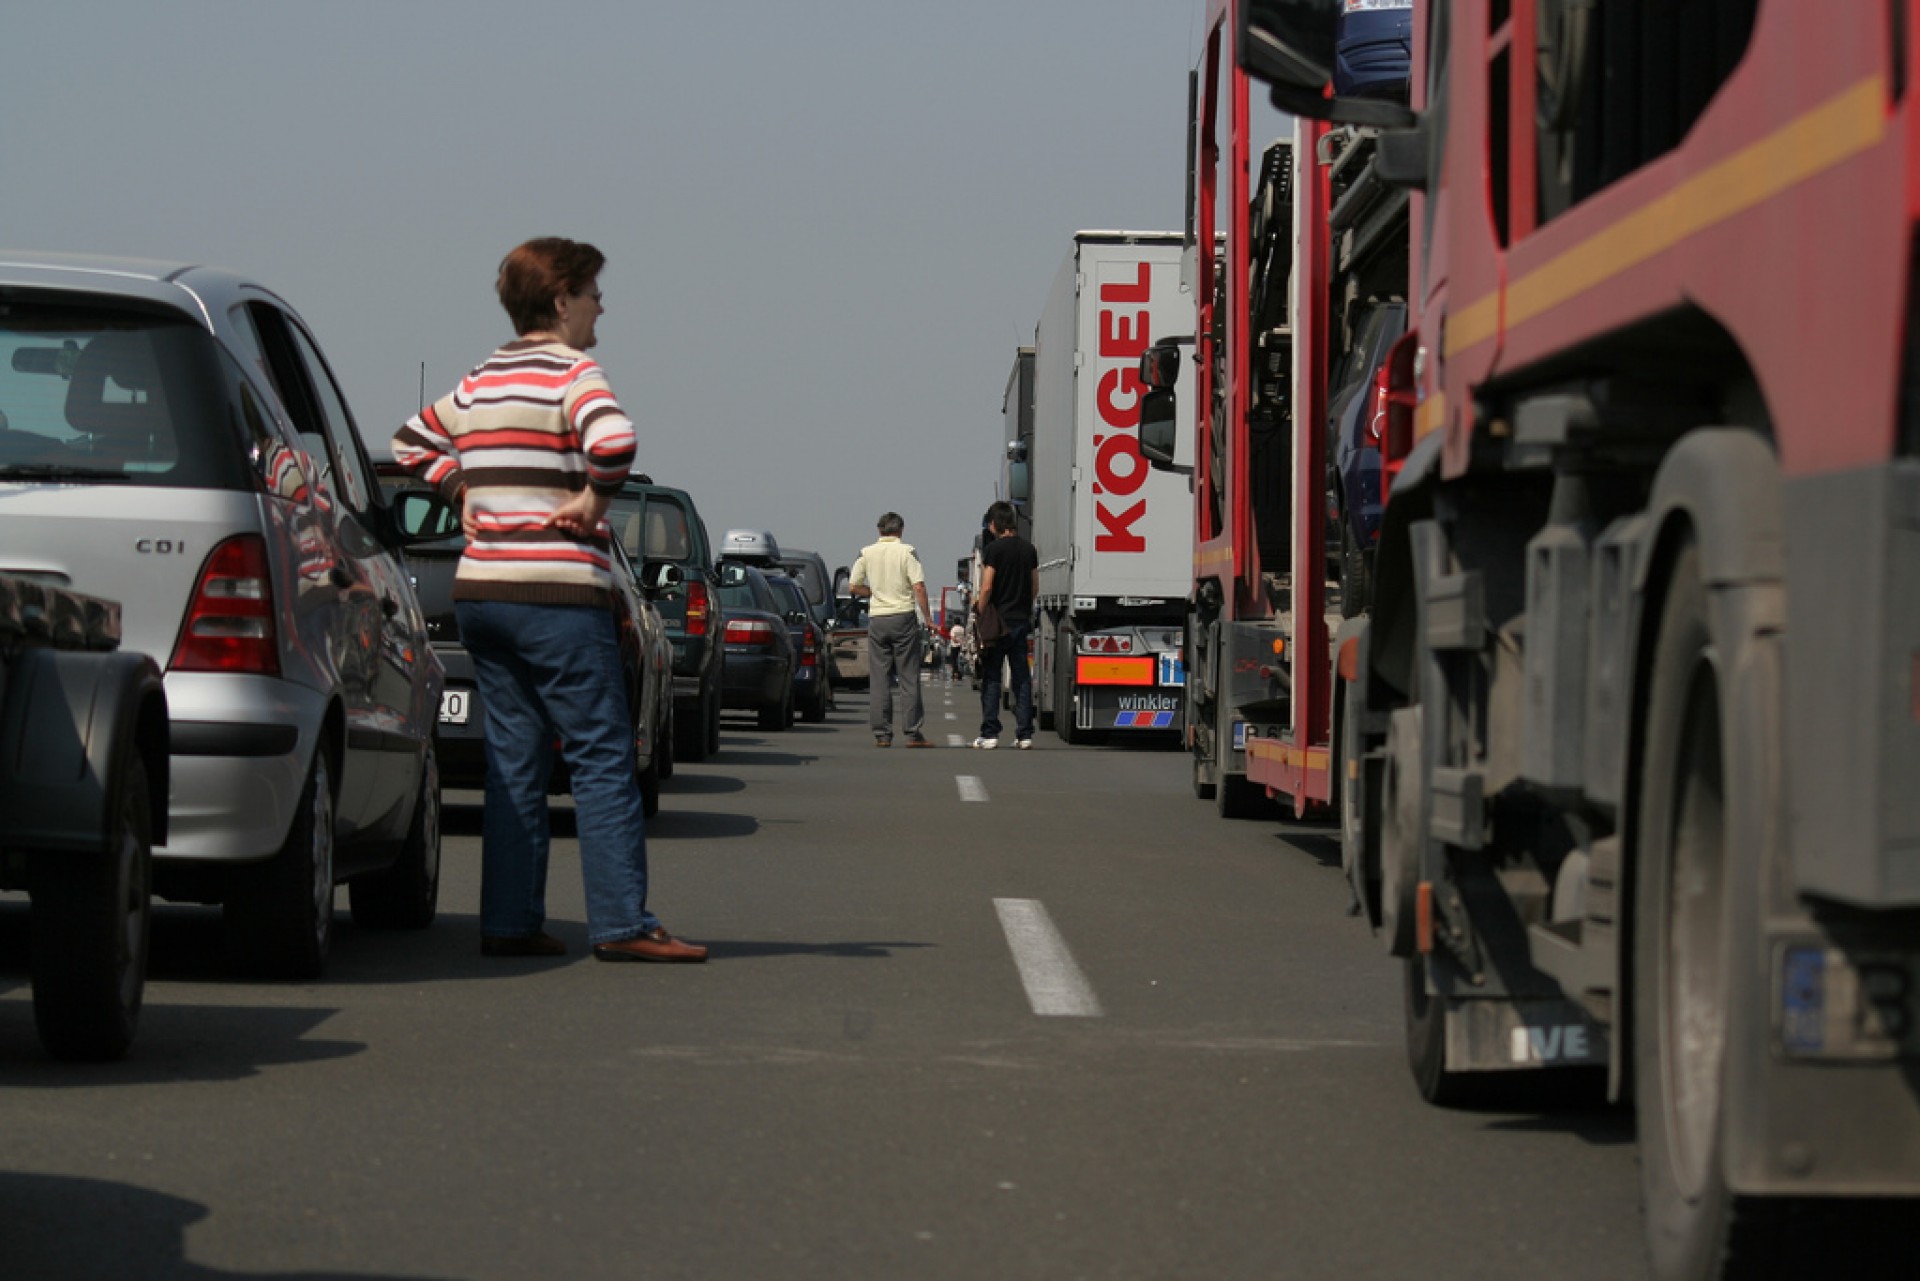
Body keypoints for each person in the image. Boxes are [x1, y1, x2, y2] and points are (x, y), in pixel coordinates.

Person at [392, 237, 705, 964]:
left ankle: (508, 919)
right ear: (561, 300)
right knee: (599, 755)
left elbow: (409, 441)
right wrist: (595, 496)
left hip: (483, 595)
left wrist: (459, 486)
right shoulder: (574, 373)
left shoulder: (480, 379)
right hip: (557, 594)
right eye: (595, 291)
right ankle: (623, 921)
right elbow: (616, 441)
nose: (603, 306)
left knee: (515, 758)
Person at [847, 512, 935, 747]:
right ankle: (912, 732)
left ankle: (882, 733)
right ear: (901, 530)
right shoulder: (907, 552)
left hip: (877, 618)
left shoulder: (866, 552)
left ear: (879, 531)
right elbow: (919, 587)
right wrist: (927, 617)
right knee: (908, 677)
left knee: (879, 678)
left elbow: (853, 586)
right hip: (903, 617)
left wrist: (874, 592)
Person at [973, 501, 1039, 749]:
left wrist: (980, 611)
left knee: (992, 676)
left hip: (997, 622)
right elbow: (1035, 586)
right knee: (1021, 677)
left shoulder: (994, 550)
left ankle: (990, 733)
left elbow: (987, 585)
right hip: (1020, 620)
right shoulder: (1029, 549)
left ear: (993, 524)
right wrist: (1023, 606)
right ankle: (1024, 734)